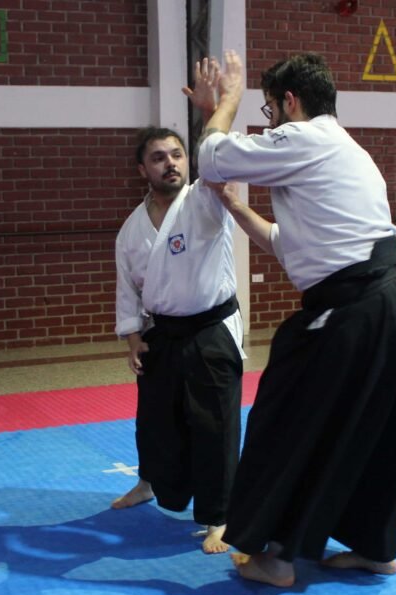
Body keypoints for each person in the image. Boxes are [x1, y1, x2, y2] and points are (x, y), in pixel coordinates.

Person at [195, 51, 396, 587]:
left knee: (289, 423)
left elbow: (210, 156)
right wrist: (235, 208)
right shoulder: (345, 149)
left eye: (269, 108)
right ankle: (375, 549)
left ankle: (278, 558)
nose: (268, 119)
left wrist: (224, 100)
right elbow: (288, 243)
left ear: (289, 102)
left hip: (353, 312)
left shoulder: (304, 139)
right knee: (372, 432)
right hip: (387, 309)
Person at [110, 62, 244, 554]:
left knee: (214, 423)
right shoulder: (130, 230)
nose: (171, 163)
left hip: (211, 329)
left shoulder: (205, 201)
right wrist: (132, 337)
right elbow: (128, 289)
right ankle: (149, 483)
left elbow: (218, 161)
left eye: (177, 154)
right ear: (141, 169)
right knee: (156, 419)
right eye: (158, 157)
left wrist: (215, 112)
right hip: (162, 332)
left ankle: (221, 515)